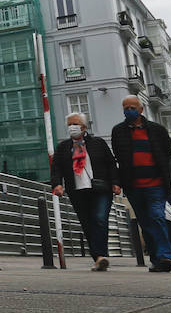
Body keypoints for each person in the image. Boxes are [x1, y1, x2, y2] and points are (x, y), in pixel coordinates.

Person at [110, 94, 171, 272]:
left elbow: (166, 153)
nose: (128, 110)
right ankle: (156, 259)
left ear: (141, 109)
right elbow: (119, 157)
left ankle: (164, 256)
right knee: (146, 223)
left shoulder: (157, 130)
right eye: (125, 108)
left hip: (156, 184)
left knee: (157, 217)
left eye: (132, 107)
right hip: (134, 185)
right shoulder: (118, 131)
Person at [49, 113, 120, 271]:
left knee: (100, 219)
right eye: (69, 124)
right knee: (87, 224)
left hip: (100, 188)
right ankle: (99, 258)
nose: (72, 127)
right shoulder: (63, 147)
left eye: (75, 124)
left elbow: (111, 163)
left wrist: (115, 182)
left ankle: (101, 254)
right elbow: (56, 168)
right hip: (78, 191)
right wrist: (57, 184)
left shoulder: (97, 143)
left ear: (84, 126)